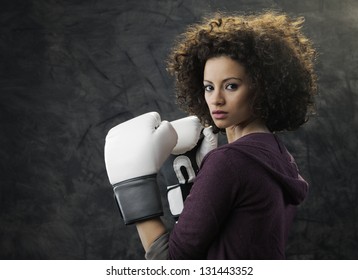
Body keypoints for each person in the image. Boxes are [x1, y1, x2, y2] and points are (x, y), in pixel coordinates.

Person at [104, 10, 317, 259]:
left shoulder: (229, 162)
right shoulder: (279, 156)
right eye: (208, 87)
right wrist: (192, 187)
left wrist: (132, 184)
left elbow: (171, 266)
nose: (215, 99)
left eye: (231, 86)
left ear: (263, 87)